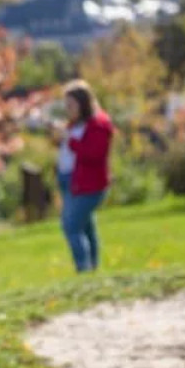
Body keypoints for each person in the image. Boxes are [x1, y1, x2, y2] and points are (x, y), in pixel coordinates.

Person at [56, 79, 114, 273]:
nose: (68, 110)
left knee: (71, 225)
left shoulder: (99, 124)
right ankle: (93, 266)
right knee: (86, 226)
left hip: (88, 184)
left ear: (83, 103)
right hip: (71, 181)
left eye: (71, 105)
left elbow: (93, 154)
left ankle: (84, 268)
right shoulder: (74, 124)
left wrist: (70, 141)